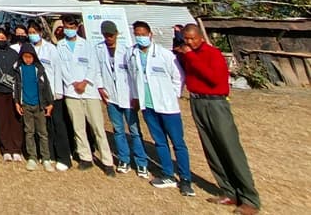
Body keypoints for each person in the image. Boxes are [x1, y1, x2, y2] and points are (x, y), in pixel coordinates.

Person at [179, 25, 259, 213]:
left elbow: (214, 78)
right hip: (197, 101)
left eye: (192, 38)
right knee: (212, 149)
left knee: (229, 148)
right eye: (186, 39)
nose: (189, 42)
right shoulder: (188, 53)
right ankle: (228, 191)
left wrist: (189, 56)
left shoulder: (212, 53)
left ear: (200, 37)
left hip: (215, 103)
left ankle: (249, 198)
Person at [128, 21, 194, 197]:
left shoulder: (165, 54)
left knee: (178, 143)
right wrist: (135, 97)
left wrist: (173, 95)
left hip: (168, 106)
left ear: (150, 34)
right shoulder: (132, 53)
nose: (140, 37)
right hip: (147, 105)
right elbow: (132, 77)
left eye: (143, 33)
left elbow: (178, 76)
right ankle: (168, 175)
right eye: (137, 34)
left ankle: (186, 179)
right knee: (160, 141)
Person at [57, 15, 115, 176]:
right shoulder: (60, 46)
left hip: (89, 91)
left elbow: (93, 66)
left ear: (77, 27)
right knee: (78, 127)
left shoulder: (88, 45)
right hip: (71, 92)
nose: (69, 30)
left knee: (97, 127)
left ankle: (107, 161)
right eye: (66, 27)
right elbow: (61, 68)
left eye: (72, 27)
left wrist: (85, 82)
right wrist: (73, 83)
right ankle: (86, 158)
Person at [95, 20, 149, 178]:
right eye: (106, 35)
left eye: (111, 35)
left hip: (128, 97)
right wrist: (100, 87)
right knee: (118, 130)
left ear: (117, 34)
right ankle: (124, 159)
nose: (109, 38)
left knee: (134, 130)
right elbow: (97, 70)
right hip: (111, 96)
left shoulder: (127, 50)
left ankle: (141, 162)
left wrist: (136, 96)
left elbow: (134, 75)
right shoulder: (99, 49)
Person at [28, 21, 71, 171]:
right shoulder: (29, 49)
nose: (32, 35)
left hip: (52, 92)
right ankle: (48, 154)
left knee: (58, 124)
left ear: (41, 33)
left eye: (35, 32)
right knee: (44, 126)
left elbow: (58, 71)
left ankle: (64, 157)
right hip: (36, 93)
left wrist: (58, 92)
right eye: (30, 32)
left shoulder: (51, 49)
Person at [12, 43, 55, 172]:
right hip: (25, 104)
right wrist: (17, 103)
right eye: (25, 57)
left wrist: (50, 103)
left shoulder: (39, 69)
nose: (28, 59)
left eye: (30, 57)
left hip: (39, 105)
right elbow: (16, 88)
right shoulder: (18, 70)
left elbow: (46, 86)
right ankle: (32, 157)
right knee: (29, 132)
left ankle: (46, 158)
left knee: (42, 132)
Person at [0, 27, 23, 161]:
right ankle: (6, 148)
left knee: (15, 119)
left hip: (12, 90)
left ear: (7, 38)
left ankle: (16, 148)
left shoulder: (14, 53)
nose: (0, 40)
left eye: (3, 38)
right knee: (2, 120)